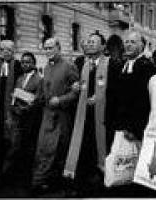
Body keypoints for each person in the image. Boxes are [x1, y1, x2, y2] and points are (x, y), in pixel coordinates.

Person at [32, 37, 79, 192]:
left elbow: (76, 92)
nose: (48, 51)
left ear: (58, 48)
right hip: (47, 115)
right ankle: (42, 180)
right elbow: (44, 91)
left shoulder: (69, 67)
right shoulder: (46, 67)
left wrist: (60, 100)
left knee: (58, 149)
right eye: (45, 48)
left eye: (51, 47)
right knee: (44, 148)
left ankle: (56, 182)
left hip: (62, 116)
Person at [66, 31, 109, 195]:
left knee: (99, 150)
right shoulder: (84, 64)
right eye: (89, 42)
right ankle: (82, 185)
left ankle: (99, 185)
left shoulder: (111, 64)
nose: (90, 44)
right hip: (84, 116)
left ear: (103, 47)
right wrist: (76, 86)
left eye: (94, 42)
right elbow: (81, 84)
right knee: (84, 150)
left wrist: (100, 97)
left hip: (102, 117)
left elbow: (114, 91)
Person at [1, 51, 43, 187]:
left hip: (32, 119)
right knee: (14, 146)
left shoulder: (39, 79)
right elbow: (14, 96)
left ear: (34, 63)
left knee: (30, 148)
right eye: (23, 62)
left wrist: (26, 107)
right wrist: (13, 108)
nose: (25, 64)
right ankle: (6, 176)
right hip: (17, 118)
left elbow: (38, 99)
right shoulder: (19, 78)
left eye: (28, 62)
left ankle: (27, 178)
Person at [110, 31, 156, 141]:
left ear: (142, 46)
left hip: (136, 129)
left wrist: (133, 129)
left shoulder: (147, 67)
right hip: (120, 126)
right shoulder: (122, 65)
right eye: (126, 42)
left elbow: (144, 102)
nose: (128, 45)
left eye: (133, 42)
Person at [0, 40, 23, 183]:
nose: (6, 52)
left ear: (14, 51)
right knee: (0, 138)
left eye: (9, 50)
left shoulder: (17, 65)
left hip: (12, 108)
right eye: (3, 49)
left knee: (12, 140)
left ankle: (9, 172)